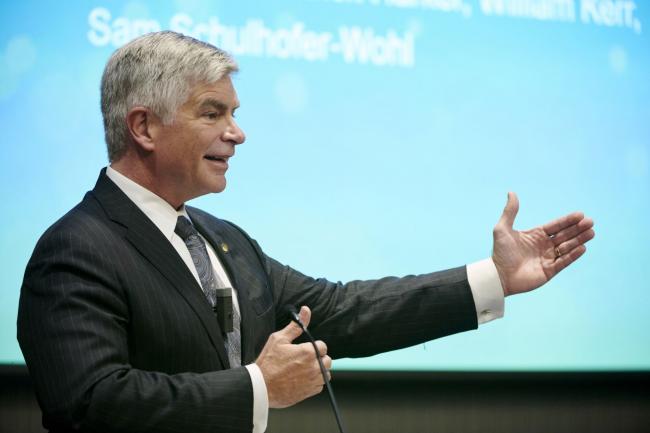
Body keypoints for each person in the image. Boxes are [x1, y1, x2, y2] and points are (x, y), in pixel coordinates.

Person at [17, 31, 595, 433]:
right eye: (213, 113)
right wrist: (257, 388)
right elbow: (88, 405)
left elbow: (340, 309)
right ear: (143, 126)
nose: (237, 134)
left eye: (233, 114)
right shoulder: (76, 249)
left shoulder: (225, 240)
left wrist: (494, 279)